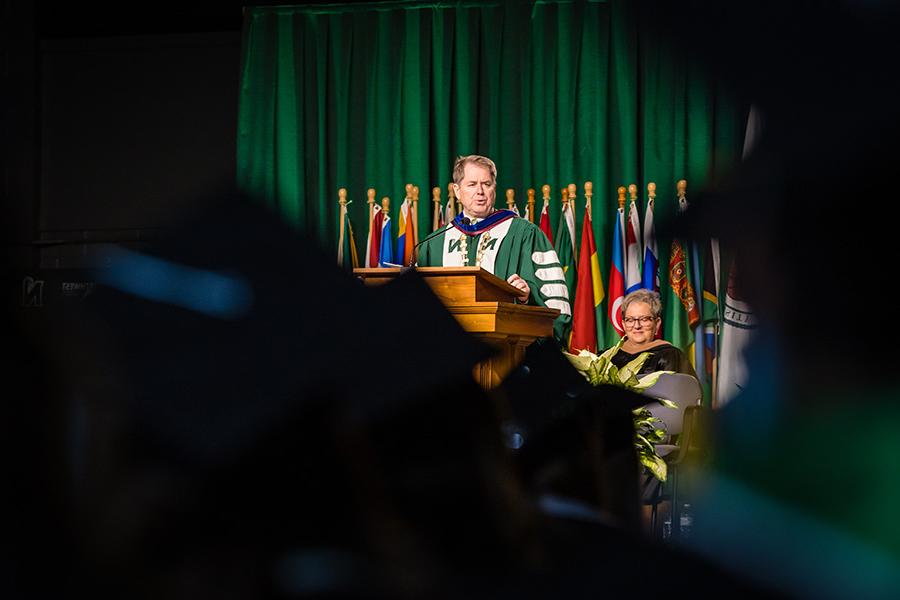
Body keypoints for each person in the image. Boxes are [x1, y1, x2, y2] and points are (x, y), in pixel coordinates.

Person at [416, 154, 571, 341]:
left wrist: (526, 296)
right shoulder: (433, 244)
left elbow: (558, 310)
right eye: (472, 184)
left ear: (494, 189)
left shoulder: (525, 234)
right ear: (457, 191)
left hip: (510, 352)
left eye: (486, 184)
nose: (480, 191)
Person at [607, 289, 695, 378]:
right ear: (624, 325)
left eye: (644, 319)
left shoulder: (671, 356)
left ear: (657, 323)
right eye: (630, 320)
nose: (637, 326)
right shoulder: (606, 357)